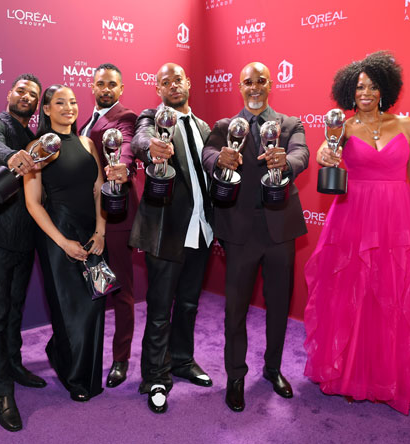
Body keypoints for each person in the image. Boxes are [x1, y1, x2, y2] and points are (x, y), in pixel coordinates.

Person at [304, 51, 410, 418]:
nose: (366, 92)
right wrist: (325, 152)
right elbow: (325, 152)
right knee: (356, 292)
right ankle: (355, 375)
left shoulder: (407, 126)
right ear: (350, 92)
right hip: (354, 217)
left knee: (396, 294)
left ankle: (398, 378)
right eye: (360, 86)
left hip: (397, 218)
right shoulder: (344, 128)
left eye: (373, 86)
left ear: (386, 89)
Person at [202, 62, 309, 412]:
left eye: (261, 81)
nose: (255, 87)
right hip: (239, 233)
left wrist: (287, 162)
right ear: (239, 85)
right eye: (248, 81)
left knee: (278, 305)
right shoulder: (223, 126)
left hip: (280, 231)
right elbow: (208, 153)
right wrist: (222, 159)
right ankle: (235, 376)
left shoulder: (290, 124)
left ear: (270, 84)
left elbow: (302, 153)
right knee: (235, 310)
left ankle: (273, 369)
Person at [25, 84, 122, 402]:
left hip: (91, 235)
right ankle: (75, 378)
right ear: (47, 110)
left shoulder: (86, 143)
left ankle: (78, 366)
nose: (68, 107)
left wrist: (101, 230)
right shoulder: (38, 147)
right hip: (57, 238)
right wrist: (62, 242)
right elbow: (33, 203)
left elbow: (99, 189)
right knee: (69, 312)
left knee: (94, 306)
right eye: (59, 102)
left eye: (73, 102)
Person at [130, 63, 214, 414]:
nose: (172, 85)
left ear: (188, 83)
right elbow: (139, 139)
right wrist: (151, 147)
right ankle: (155, 376)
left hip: (201, 229)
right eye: (165, 82)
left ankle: (182, 360)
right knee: (160, 309)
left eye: (177, 79)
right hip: (165, 231)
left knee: (190, 304)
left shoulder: (204, 126)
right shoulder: (152, 118)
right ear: (158, 90)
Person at [0, 73, 47, 432]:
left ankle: (14, 365)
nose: (26, 96)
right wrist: (13, 156)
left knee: (15, 308)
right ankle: (3, 391)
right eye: (21, 90)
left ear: (36, 105)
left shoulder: (36, 139)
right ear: (9, 93)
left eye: (33, 94)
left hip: (25, 237)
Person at [79, 63, 138, 388]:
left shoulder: (124, 117)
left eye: (111, 84)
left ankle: (120, 359)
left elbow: (125, 145)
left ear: (121, 87)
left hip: (116, 217)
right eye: (100, 83)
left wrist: (123, 168)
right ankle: (88, 352)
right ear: (92, 85)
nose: (105, 88)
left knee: (122, 292)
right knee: (93, 288)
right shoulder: (84, 121)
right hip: (87, 218)